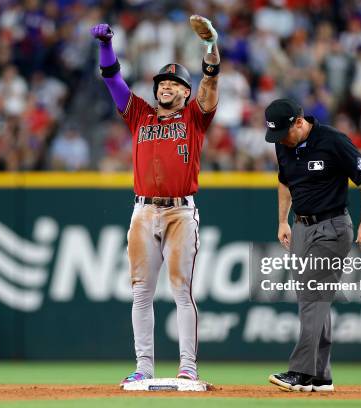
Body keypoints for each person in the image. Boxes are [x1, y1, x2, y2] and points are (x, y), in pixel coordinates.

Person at [90, 15, 220, 385]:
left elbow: (210, 81)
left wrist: (211, 45)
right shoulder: (140, 116)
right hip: (143, 211)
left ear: (184, 91)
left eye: (174, 83)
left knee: (182, 291)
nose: (165, 86)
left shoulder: (195, 117)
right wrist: (105, 47)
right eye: (162, 82)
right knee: (141, 293)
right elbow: (112, 79)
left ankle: (188, 367)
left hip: (180, 210)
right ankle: (144, 367)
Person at [264, 99, 361, 392]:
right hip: (301, 227)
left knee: (314, 296)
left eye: (284, 133)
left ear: (299, 123)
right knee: (313, 300)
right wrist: (282, 221)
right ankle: (321, 375)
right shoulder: (283, 142)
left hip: (333, 227)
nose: (280, 141)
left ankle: (300, 371)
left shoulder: (333, 140)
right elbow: (284, 182)